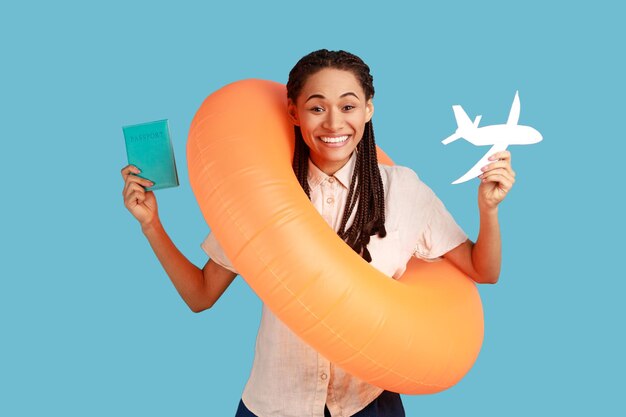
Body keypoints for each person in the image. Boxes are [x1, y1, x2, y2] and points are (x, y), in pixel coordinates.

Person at [121, 49, 515, 417]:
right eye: (316, 108)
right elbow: (201, 295)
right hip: (277, 403)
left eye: (348, 106)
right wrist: (151, 224)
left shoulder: (403, 190)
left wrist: (488, 208)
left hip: (369, 402)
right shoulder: (261, 194)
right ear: (293, 112)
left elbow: (484, 270)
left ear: (368, 110)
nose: (333, 123)